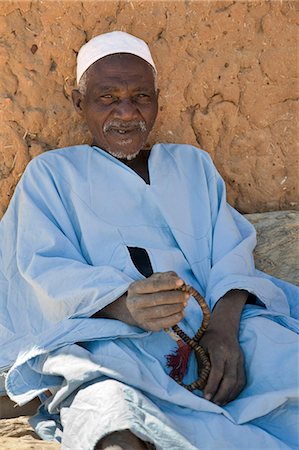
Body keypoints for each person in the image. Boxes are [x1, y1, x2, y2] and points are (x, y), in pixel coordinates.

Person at [0, 31, 298, 450]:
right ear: (78, 102)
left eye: (141, 97)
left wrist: (225, 332)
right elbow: (42, 270)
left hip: (219, 325)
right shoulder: (52, 175)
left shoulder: (192, 165)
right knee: (111, 413)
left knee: (287, 363)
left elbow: (231, 255)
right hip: (114, 339)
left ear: (158, 100)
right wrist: (125, 304)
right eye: (107, 98)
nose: (127, 113)